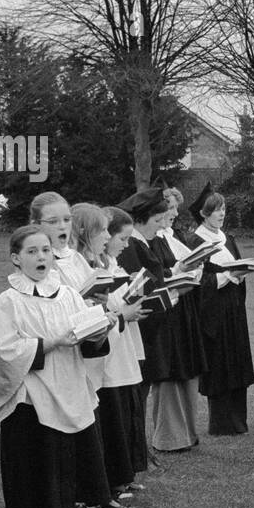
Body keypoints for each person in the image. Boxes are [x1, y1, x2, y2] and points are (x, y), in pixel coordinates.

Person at [0, 226, 112, 508]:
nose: (41, 257)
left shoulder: (67, 294)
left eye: (45, 250)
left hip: (67, 387)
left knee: (60, 465)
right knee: (35, 468)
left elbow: (84, 338)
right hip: (32, 398)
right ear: (15, 258)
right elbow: (4, 353)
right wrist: (53, 341)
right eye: (32, 251)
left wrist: (99, 330)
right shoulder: (9, 300)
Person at [32, 193, 126, 508]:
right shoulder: (43, 261)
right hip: (60, 352)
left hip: (83, 350)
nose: (61, 226)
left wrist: (98, 304)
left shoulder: (73, 257)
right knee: (63, 434)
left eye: (65, 220)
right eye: (53, 221)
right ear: (37, 225)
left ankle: (80, 500)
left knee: (83, 428)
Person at [117, 187, 209, 453]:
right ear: (141, 220)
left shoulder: (147, 241)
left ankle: (139, 453)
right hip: (141, 328)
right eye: (157, 221)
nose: (160, 227)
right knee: (136, 394)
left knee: (142, 391)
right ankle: (136, 453)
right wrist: (173, 290)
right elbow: (140, 286)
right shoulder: (132, 246)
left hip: (153, 325)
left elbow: (158, 275)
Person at [72, 203, 147, 508]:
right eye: (102, 230)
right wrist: (120, 313)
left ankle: (117, 480)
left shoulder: (103, 262)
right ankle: (103, 489)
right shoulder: (81, 264)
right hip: (98, 351)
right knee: (107, 417)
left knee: (120, 413)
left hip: (115, 343)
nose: (107, 237)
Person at [185, 185, 254, 436]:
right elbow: (197, 284)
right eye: (216, 210)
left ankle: (239, 421)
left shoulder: (228, 239)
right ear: (204, 214)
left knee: (237, 362)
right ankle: (221, 423)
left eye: (223, 209)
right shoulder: (195, 241)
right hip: (213, 313)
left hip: (234, 309)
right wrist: (227, 276)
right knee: (220, 365)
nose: (221, 214)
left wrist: (241, 273)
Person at [103, 205, 150, 487]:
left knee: (129, 407)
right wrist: (125, 311)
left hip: (127, 340)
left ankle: (126, 474)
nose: (126, 245)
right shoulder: (99, 266)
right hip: (110, 348)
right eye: (122, 239)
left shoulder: (114, 264)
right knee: (115, 412)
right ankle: (116, 478)